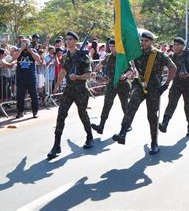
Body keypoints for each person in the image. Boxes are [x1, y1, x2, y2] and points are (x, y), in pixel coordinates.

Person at [112, 31, 177, 155]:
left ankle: (154, 143)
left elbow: (173, 68)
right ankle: (123, 132)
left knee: (152, 116)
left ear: (152, 42)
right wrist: (127, 73)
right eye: (141, 40)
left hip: (153, 87)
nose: (143, 43)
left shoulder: (158, 55)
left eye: (146, 41)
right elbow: (130, 66)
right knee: (131, 106)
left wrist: (166, 85)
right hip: (139, 84)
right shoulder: (137, 52)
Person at [47, 31, 94, 160]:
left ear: (76, 41)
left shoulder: (84, 56)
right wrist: (56, 86)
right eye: (66, 39)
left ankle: (89, 137)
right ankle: (56, 145)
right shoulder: (65, 56)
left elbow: (89, 75)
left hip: (81, 90)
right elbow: (63, 71)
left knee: (82, 114)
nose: (67, 41)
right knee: (61, 115)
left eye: (70, 39)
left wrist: (78, 76)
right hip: (68, 90)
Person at [91, 39, 132, 135]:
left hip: (123, 85)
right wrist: (95, 69)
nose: (111, 48)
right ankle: (101, 126)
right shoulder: (109, 57)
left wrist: (125, 75)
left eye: (113, 46)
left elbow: (130, 70)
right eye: (110, 46)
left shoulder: (123, 57)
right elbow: (102, 63)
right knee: (107, 105)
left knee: (125, 105)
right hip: (111, 84)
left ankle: (128, 124)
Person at [159, 37, 189, 137]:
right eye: (174, 45)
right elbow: (167, 65)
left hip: (188, 85)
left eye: (178, 45)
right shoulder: (173, 56)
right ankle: (165, 123)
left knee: (188, 106)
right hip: (176, 84)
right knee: (171, 103)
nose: (175, 47)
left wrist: (187, 74)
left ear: (183, 46)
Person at [11, 39, 41, 119]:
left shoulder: (33, 50)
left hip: (31, 76)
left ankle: (35, 111)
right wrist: (21, 49)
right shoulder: (18, 51)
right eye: (22, 43)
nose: (24, 44)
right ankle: (20, 112)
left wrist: (30, 50)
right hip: (21, 76)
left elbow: (38, 59)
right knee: (20, 95)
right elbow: (13, 58)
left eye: (26, 43)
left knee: (33, 94)